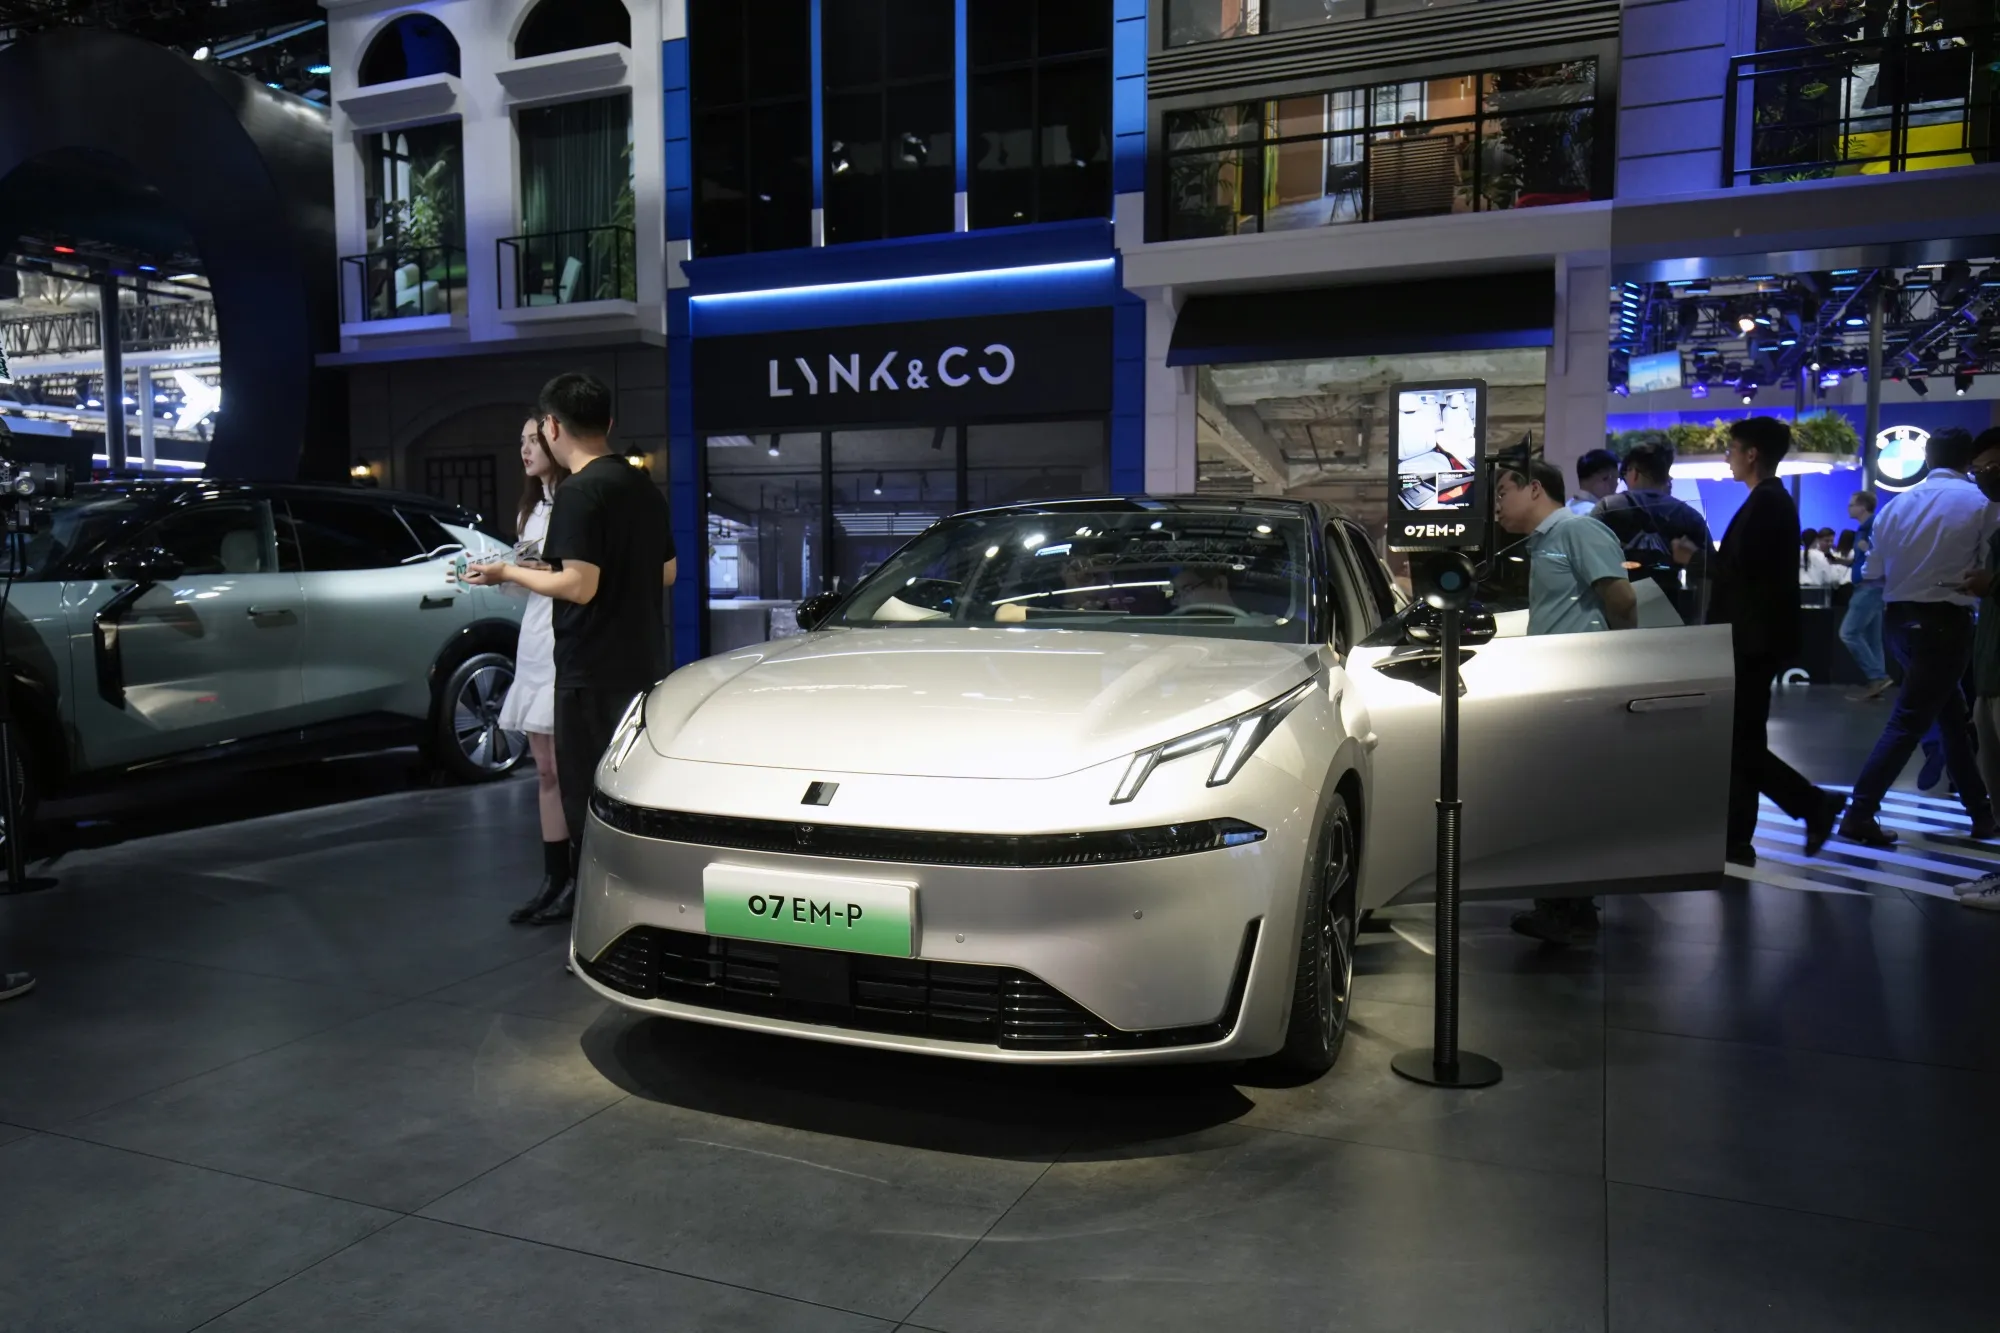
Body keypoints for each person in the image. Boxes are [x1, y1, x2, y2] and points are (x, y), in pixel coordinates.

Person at [466, 372, 676, 924]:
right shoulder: (640, 486)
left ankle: (595, 921)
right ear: (608, 422)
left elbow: (579, 585)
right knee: (625, 792)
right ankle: (634, 911)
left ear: (553, 427)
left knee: (586, 800)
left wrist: (507, 572)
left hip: (589, 666)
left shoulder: (580, 491)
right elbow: (667, 571)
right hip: (640, 662)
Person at [1494, 456, 1634, 943]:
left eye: (1502, 493)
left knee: (1562, 799)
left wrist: (1620, 662)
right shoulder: (1543, 541)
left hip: (1579, 685)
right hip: (1556, 684)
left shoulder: (1577, 530)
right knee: (1561, 797)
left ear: (1534, 489)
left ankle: (1563, 909)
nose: (1497, 506)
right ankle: (1571, 908)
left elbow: (1622, 599)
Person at [1838, 426, 1997, 847]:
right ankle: (1859, 813)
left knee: (1952, 720)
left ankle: (1982, 814)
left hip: (1898, 622)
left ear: (1927, 459)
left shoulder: (1896, 506)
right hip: (1945, 624)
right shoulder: (1981, 503)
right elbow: (1987, 565)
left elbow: (1872, 573)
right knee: (1910, 722)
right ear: (1969, 462)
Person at [1709, 418, 1846, 865]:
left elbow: (1745, 573)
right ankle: (1739, 836)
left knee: (1739, 741)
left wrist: (1697, 559)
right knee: (1742, 739)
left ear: (1751, 454)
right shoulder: (1770, 500)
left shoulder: (1767, 502)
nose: (1728, 458)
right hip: (1754, 638)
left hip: (1751, 640)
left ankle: (1811, 803)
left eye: (1732, 449)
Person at [498, 416, 573, 925]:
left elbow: (576, 577)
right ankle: (552, 878)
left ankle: (577, 880)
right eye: (521, 441)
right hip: (534, 638)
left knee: (567, 769)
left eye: (533, 440)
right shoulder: (531, 509)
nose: (525, 449)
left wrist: (529, 571)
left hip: (565, 641)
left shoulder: (575, 502)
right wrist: (500, 574)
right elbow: (526, 581)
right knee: (544, 769)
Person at [1943, 429, 2000, 909]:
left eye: (1992, 469)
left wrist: (1991, 583)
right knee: (1994, 776)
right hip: (1990, 671)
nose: (1984, 478)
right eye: (1979, 470)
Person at [1591, 439, 1711, 623]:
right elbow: (1707, 573)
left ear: (1634, 473)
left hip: (1616, 615)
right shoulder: (1689, 515)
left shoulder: (1607, 508)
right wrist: (1698, 620)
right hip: (1671, 615)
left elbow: (1586, 560)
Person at [1840, 490, 1891, 700]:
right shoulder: (1866, 528)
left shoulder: (1873, 528)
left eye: (1851, 504)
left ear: (1862, 507)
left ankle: (1877, 676)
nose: (1848, 508)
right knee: (1872, 639)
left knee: (1848, 633)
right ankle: (1878, 683)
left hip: (1869, 587)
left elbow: (1883, 554)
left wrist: (1867, 549)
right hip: (1873, 587)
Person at [1569, 448, 1620, 516]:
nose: (1616, 484)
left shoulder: (1565, 507)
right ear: (1605, 478)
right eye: (1616, 478)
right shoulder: (1597, 514)